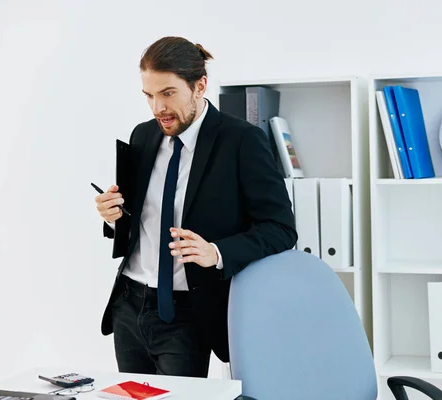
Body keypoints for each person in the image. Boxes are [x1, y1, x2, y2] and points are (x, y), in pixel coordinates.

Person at [94, 36, 297, 377]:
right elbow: (139, 217)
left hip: (187, 311)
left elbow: (281, 229)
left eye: (168, 93)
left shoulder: (242, 141)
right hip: (128, 303)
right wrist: (112, 216)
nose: (158, 107)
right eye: (150, 95)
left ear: (200, 85)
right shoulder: (143, 136)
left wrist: (216, 251)